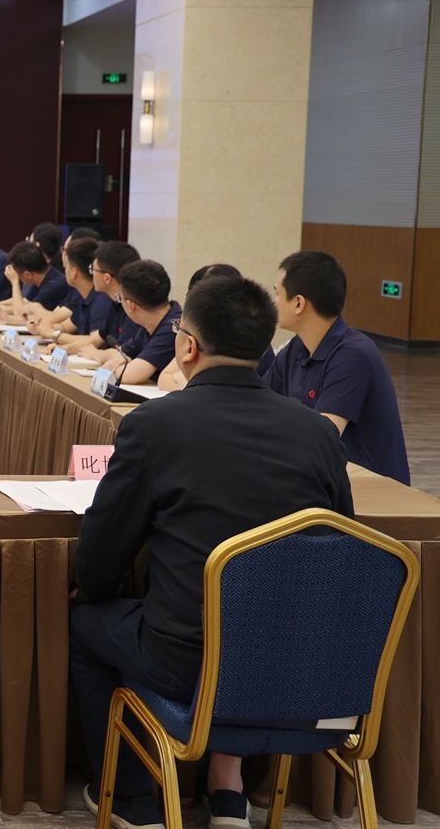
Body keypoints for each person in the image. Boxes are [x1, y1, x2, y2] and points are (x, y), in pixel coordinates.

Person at [72, 273, 353, 829]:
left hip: (187, 665)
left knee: (88, 623)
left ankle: (133, 800)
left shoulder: (154, 425)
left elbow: (102, 556)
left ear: (188, 347)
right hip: (301, 662)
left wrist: (94, 591)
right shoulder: (317, 433)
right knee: (248, 618)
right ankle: (228, 791)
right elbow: (341, 546)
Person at [264, 250, 410, 484]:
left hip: (370, 491)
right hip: (323, 480)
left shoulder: (353, 355)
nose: (273, 302)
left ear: (299, 303)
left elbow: (322, 438)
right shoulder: (296, 348)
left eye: (277, 294)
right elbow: (261, 404)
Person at [157, 265, 245, 393]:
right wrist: (188, 385)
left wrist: (185, 382)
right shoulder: (198, 332)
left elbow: (213, 393)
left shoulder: (242, 337)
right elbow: (164, 378)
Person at [94, 260, 181, 386]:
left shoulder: (173, 328)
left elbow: (131, 375)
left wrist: (113, 369)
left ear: (131, 305)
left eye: (120, 298)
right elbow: (122, 354)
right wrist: (120, 361)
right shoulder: (149, 325)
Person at [28, 237, 113, 346]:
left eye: (67, 265)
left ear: (74, 272)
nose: (64, 270)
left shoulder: (102, 300)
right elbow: (65, 327)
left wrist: (54, 334)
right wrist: (41, 327)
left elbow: (93, 341)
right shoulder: (83, 296)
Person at [71, 240, 140, 360]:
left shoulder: (133, 309)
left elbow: (123, 355)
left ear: (107, 278)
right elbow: (95, 340)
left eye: (93, 270)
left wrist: (96, 354)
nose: (91, 274)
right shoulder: (115, 303)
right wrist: (63, 349)